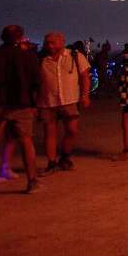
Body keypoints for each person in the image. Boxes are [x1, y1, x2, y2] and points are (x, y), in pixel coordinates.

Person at [0, 25, 42, 197]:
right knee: (26, 140)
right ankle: (32, 180)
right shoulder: (28, 58)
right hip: (21, 104)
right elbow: (37, 83)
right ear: (20, 38)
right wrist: (34, 104)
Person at [36, 31, 90, 173]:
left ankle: (65, 157)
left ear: (62, 42)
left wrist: (85, 95)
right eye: (47, 42)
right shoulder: (41, 59)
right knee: (49, 133)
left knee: (72, 130)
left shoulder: (75, 56)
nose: (50, 45)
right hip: (48, 101)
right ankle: (52, 163)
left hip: (70, 100)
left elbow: (85, 77)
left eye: (53, 42)